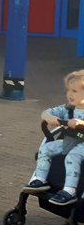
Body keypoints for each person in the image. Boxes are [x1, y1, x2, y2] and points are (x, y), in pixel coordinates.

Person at [22, 70, 84, 206]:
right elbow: (46, 113)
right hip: (71, 142)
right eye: (68, 90)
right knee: (46, 148)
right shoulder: (68, 109)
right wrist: (52, 118)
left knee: (72, 157)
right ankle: (40, 179)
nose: (70, 94)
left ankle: (70, 190)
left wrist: (80, 123)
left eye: (74, 91)